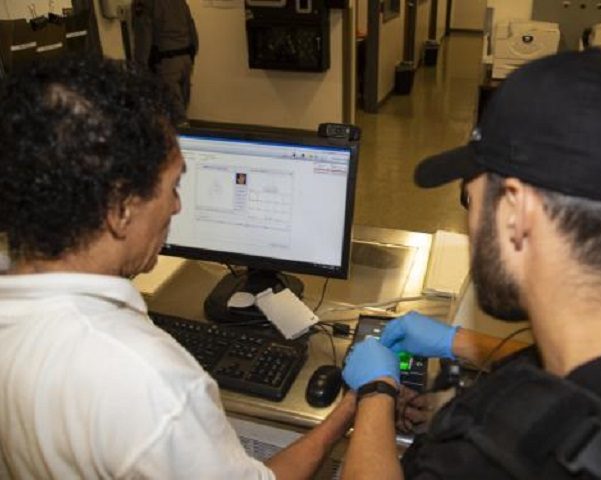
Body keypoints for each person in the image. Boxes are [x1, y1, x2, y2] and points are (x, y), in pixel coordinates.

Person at [0, 55, 355, 479]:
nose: (178, 206)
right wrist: (343, 418)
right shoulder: (153, 383)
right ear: (121, 207)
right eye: (172, 187)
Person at [341, 48, 601, 479]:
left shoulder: (488, 461)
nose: (469, 219)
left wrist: (375, 394)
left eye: (469, 197)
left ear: (516, 211)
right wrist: (463, 343)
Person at [132, 0, 199, 124]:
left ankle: (180, 140)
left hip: (166, 63)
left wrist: (139, 70)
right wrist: (191, 57)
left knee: (176, 117)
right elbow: (192, 30)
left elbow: (143, 39)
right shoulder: (180, 2)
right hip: (185, 60)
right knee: (181, 107)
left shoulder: (144, 3)